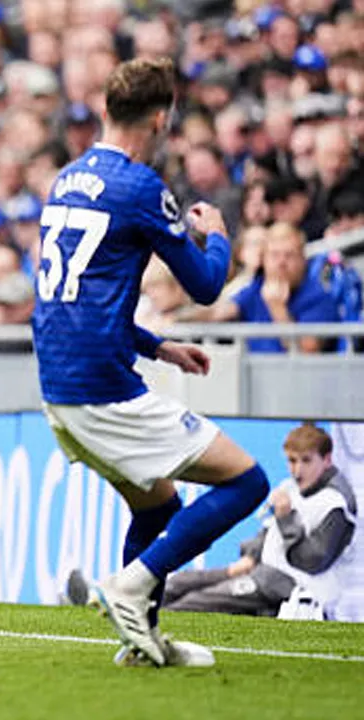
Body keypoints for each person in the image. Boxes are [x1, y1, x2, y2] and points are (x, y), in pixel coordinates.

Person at [31, 57, 271, 668]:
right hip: (101, 386)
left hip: (59, 380)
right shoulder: (139, 187)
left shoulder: (67, 179)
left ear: (105, 109)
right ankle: (131, 586)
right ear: (161, 119)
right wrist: (219, 233)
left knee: (159, 507)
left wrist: (156, 346)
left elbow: (76, 300)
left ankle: (141, 643)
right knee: (248, 482)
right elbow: (207, 287)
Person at [161, 424, 356, 617]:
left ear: (327, 459)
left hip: (292, 585)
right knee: (172, 587)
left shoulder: (335, 503)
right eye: (292, 461)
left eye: (306, 461)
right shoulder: (290, 487)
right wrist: (252, 555)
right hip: (260, 571)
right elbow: (268, 531)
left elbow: (312, 562)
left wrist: (287, 519)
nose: (297, 470)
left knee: (190, 604)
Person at [210, 222, 340, 353]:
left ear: (303, 260)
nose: (281, 262)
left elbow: (306, 352)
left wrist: (277, 308)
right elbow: (219, 312)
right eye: (274, 255)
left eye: (289, 255)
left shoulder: (319, 297)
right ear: (264, 260)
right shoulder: (257, 287)